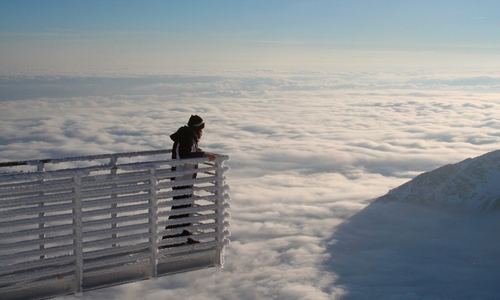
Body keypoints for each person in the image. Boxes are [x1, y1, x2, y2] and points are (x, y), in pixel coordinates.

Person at [162, 115, 216, 247]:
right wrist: (203, 155)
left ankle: (183, 237)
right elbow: (185, 155)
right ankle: (171, 240)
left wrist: (199, 151)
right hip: (181, 179)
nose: (202, 133)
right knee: (180, 208)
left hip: (184, 179)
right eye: (201, 129)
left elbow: (189, 151)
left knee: (185, 208)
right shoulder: (187, 137)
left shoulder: (188, 137)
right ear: (198, 129)